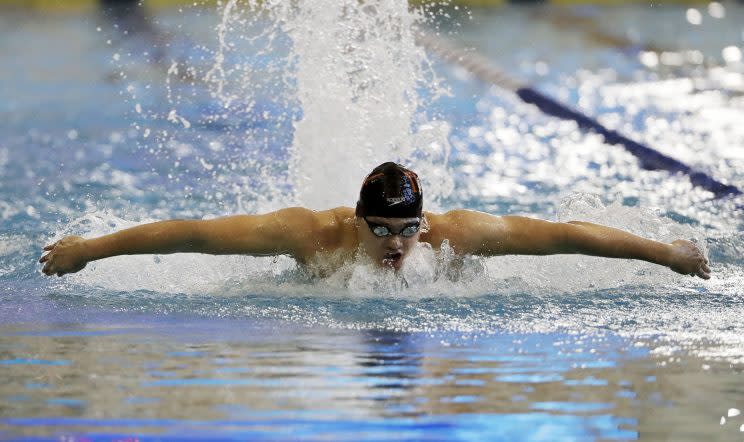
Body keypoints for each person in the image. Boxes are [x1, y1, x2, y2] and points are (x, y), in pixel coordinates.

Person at [39, 162, 711, 280]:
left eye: (407, 230)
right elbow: (191, 232)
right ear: (356, 220)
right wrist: (90, 250)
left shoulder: (455, 234)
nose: (397, 244)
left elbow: (565, 237)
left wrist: (666, 253)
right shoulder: (307, 234)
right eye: (382, 230)